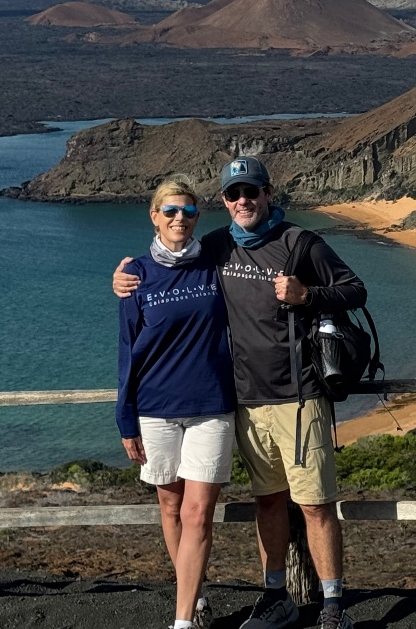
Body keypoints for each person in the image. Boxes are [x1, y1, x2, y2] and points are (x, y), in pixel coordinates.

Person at [115, 156, 366, 629]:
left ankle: (333, 607)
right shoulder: (215, 247)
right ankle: (276, 596)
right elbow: (168, 265)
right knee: (268, 502)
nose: (243, 201)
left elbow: (355, 289)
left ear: (269, 194)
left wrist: (307, 296)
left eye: (252, 191)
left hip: (300, 395)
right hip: (246, 401)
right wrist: (125, 277)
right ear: (225, 203)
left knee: (314, 503)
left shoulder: (300, 242)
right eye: (233, 194)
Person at [117, 177, 236, 629]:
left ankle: (182, 620)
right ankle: (196, 593)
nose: (178, 219)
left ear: (197, 218)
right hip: (155, 409)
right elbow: (126, 350)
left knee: (196, 511)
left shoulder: (216, 263)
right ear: (154, 216)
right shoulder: (135, 276)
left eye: (187, 211)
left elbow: (257, 232)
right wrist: (125, 418)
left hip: (211, 406)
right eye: (169, 211)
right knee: (170, 507)